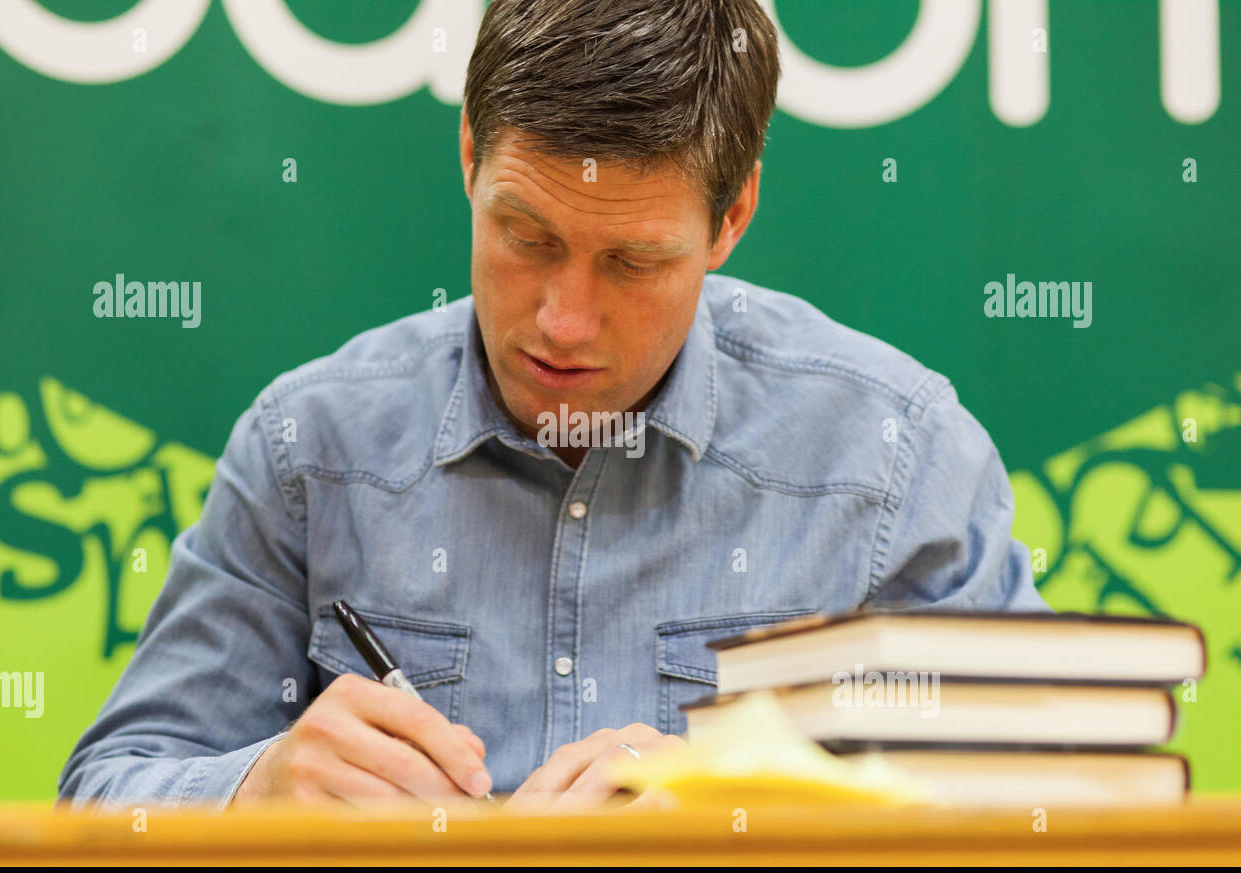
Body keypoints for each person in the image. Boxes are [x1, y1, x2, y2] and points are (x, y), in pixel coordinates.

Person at [59, 0, 1050, 815]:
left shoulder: (893, 459)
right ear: (467, 157)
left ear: (731, 216)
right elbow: (103, 796)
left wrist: (762, 807)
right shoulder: (309, 450)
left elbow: (1062, 816)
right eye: (524, 234)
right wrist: (253, 790)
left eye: (631, 262)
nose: (562, 321)